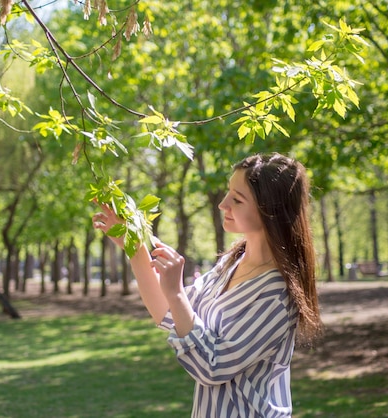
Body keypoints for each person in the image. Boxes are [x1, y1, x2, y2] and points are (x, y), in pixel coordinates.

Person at [92, 153, 322, 417]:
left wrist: (176, 293)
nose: (223, 204)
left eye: (237, 199)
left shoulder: (277, 295)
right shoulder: (231, 263)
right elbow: (168, 313)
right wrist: (135, 246)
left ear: (270, 209)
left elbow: (212, 367)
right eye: (228, 193)